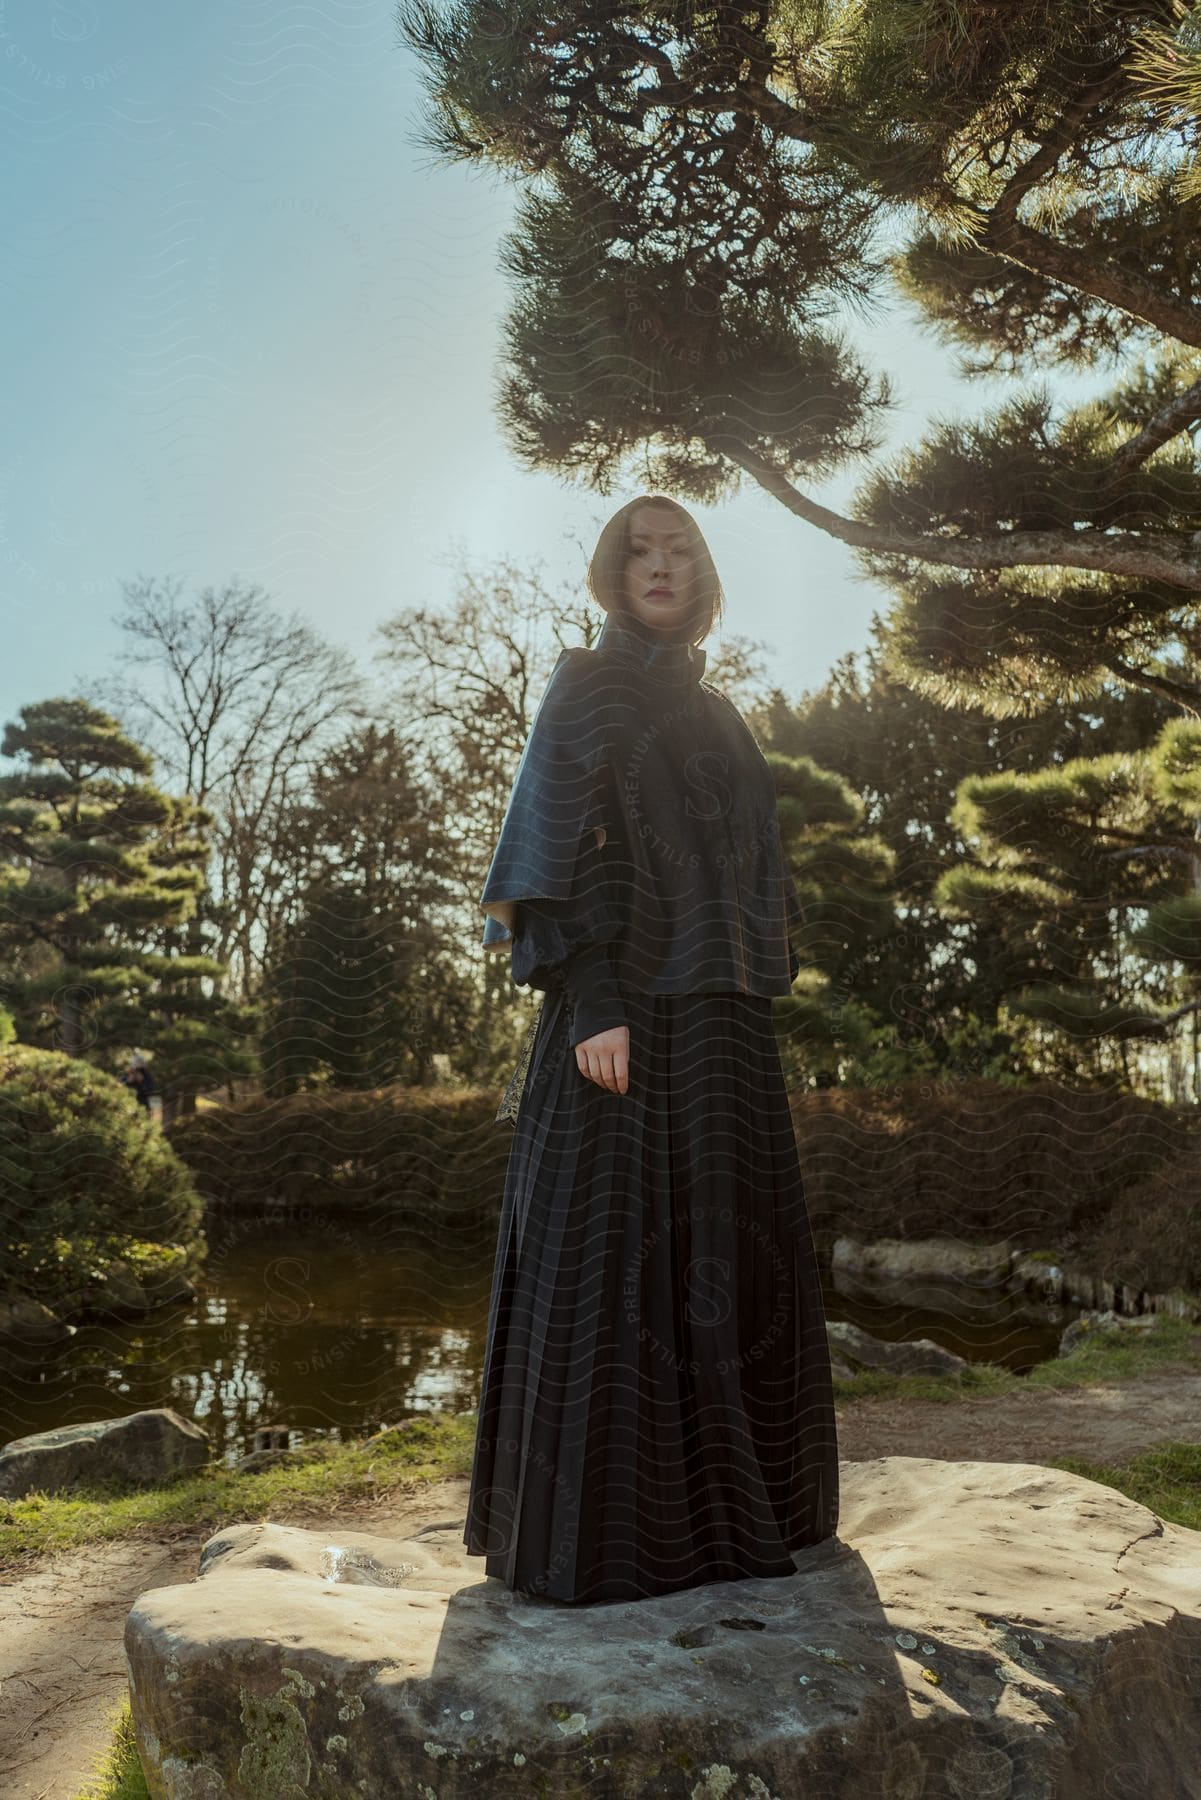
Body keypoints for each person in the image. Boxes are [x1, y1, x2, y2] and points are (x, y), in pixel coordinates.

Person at [464, 494, 840, 1605]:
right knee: (608, 1269)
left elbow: (741, 881)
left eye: (681, 549)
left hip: (719, 1027)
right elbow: (556, 850)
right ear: (610, 570)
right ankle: (606, 1544)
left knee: (724, 1267)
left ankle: (732, 1525)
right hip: (618, 1020)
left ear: (705, 571)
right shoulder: (587, 687)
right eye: (641, 549)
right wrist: (591, 999)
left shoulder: (720, 713)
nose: (660, 566)